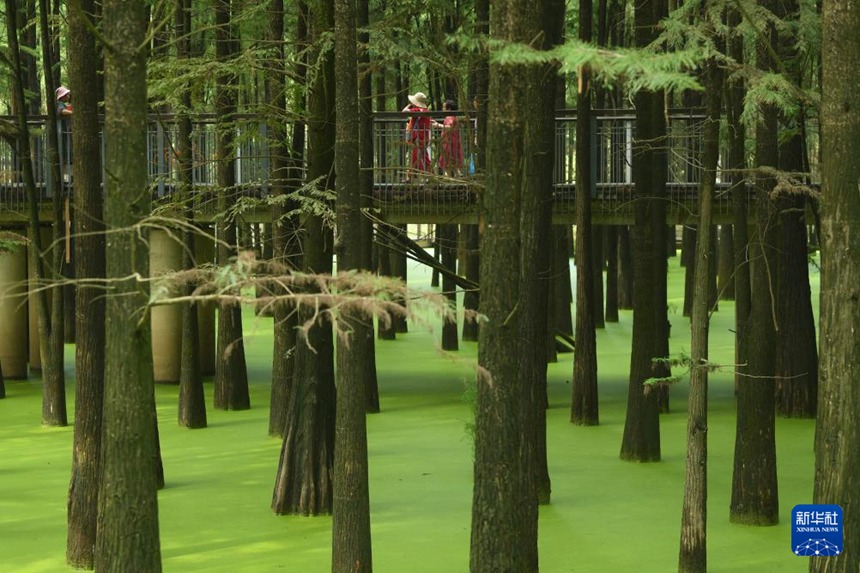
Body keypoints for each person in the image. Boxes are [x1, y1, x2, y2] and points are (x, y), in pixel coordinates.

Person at [402, 92, 432, 180]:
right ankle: (426, 175)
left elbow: (404, 111)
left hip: (418, 138)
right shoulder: (426, 111)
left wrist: (409, 106)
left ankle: (419, 176)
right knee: (422, 156)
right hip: (424, 137)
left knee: (417, 156)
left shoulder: (417, 110)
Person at [437, 100, 464, 176]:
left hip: (449, 142)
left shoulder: (449, 117)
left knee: (447, 163)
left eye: (444, 107)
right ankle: (458, 179)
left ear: (448, 109)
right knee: (453, 163)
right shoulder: (454, 117)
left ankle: (450, 182)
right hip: (454, 142)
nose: (442, 109)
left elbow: (449, 126)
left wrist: (437, 125)